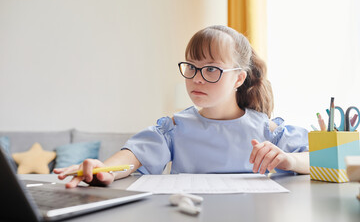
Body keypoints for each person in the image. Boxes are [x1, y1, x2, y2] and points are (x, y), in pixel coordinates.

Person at [54, 25, 309, 188]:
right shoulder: (176, 127)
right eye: (191, 66)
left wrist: (289, 160)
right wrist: (104, 169)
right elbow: (132, 158)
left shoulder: (267, 129)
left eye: (211, 68)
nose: (196, 77)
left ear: (239, 78)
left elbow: (324, 160)